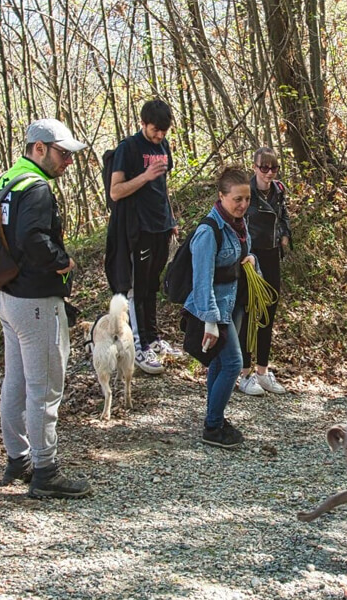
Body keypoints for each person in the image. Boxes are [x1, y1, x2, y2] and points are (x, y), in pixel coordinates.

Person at [0, 118, 91, 498]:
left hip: (8, 297)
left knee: (16, 381)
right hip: (35, 302)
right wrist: (61, 261)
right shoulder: (35, 188)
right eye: (63, 153)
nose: (68, 161)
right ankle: (45, 471)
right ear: (39, 149)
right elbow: (33, 238)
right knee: (45, 388)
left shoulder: (8, 180)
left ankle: (18, 458)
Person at [105, 99, 182, 375]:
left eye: (164, 131)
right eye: (154, 130)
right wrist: (145, 175)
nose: (159, 135)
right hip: (138, 228)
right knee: (137, 286)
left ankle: (152, 338)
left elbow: (163, 187)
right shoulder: (129, 148)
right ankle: (137, 346)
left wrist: (170, 219)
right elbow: (116, 191)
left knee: (152, 285)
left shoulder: (163, 146)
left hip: (160, 226)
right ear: (143, 123)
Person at [185, 166, 256, 448]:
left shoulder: (239, 226)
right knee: (234, 363)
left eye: (247, 198)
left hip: (234, 303)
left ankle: (214, 418)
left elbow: (243, 255)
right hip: (215, 309)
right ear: (221, 196)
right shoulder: (208, 231)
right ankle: (212, 427)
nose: (243, 205)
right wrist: (211, 322)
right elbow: (202, 281)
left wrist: (251, 260)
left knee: (218, 362)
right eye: (237, 199)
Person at [236, 148, 292, 396]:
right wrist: (242, 253)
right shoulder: (246, 193)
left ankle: (262, 370)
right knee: (249, 315)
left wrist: (286, 236)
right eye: (264, 168)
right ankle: (245, 374)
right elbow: (237, 221)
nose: (268, 173)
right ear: (255, 167)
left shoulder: (279, 190)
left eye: (273, 168)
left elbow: (283, 217)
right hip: (252, 255)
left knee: (269, 312)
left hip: (271, 255)